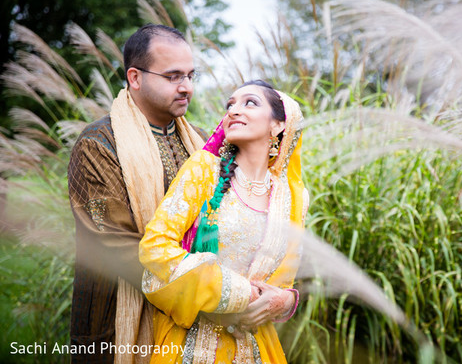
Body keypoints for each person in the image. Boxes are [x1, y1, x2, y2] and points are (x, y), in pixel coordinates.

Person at [139, 80, 309, 363]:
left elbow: (283, 281)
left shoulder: (292, 198)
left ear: (279, 125)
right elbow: (155, 248)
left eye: (249, 103)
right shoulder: (204, 170)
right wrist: (237, 293)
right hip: (192, 344)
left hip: (256, 347)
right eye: (230, 104)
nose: (233, 111)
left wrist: (285, 301)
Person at [68, 24, 206, 363]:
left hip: (191, 324)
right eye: (173, 76)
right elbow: (115, 244)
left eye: (191, 75)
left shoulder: (201, 142)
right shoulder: (99, 144)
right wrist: (211, 291)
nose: (186, 87)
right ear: (135, 77)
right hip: (114, 322)